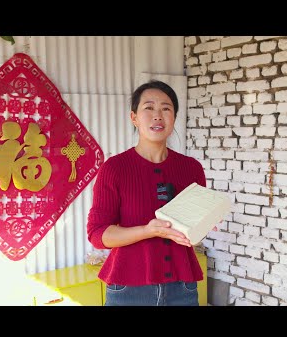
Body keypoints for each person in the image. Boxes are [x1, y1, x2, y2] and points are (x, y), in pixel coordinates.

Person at [86, 80, 207, 306]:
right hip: (128, 289)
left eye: (166, 108)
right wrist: (147, 230)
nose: (157, 115)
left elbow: (192, 236)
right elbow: (97, 235)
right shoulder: (114, 169)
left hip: (182, 286)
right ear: (134, 117)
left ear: (174, 118)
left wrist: (203, 223)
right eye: (149, 107)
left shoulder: (191, 168)